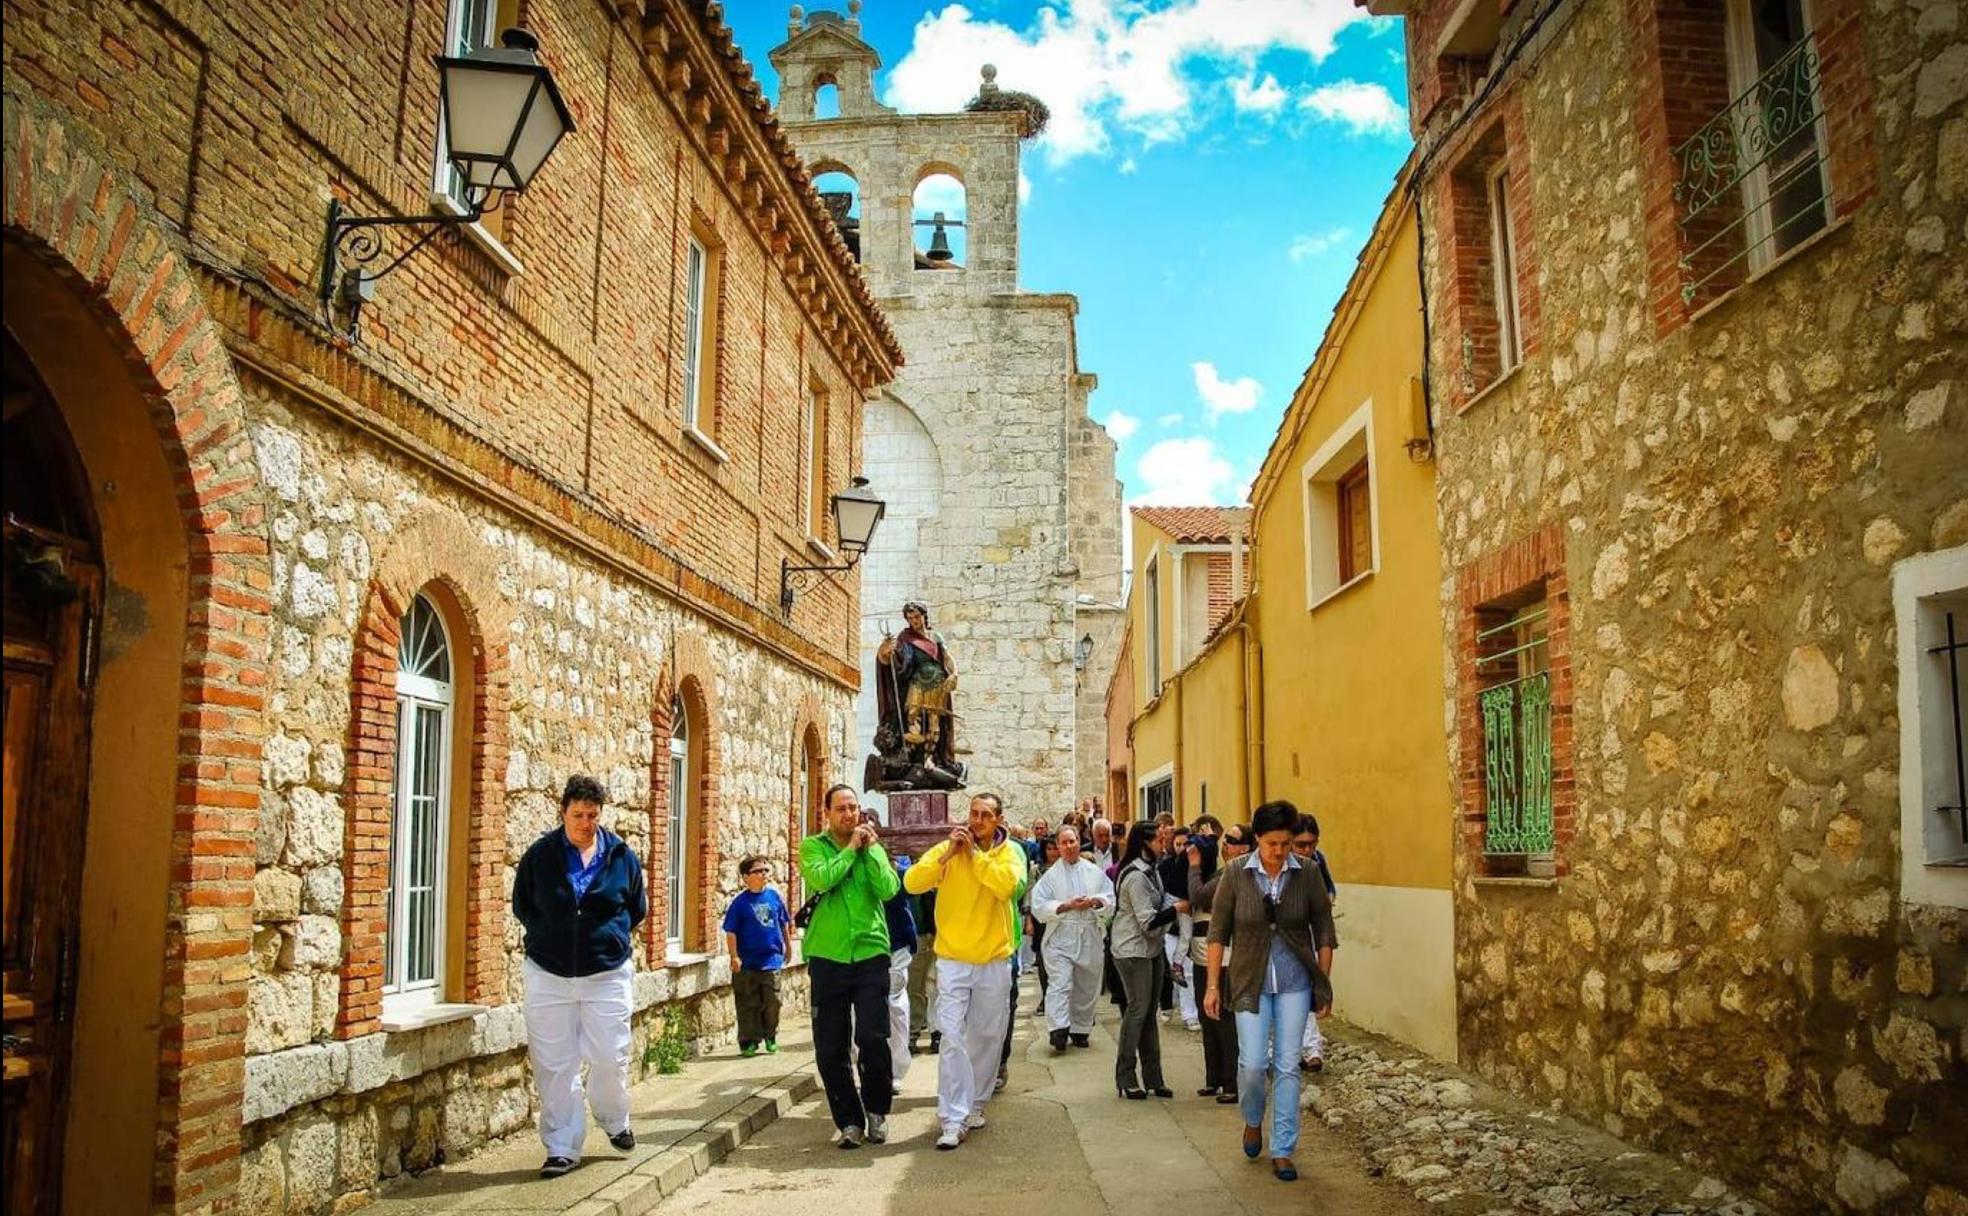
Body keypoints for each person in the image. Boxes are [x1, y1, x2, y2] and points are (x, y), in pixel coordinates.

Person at [512, 776, 647, 1178]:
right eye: (577, 815)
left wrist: (608, 939)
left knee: (610, 1056)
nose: (585, 823)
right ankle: (561, 1145)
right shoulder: (540, 855)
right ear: (563, 813)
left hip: (606, 973)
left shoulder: (622, 857)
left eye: (592, 815)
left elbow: (635, 908)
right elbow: (524, 905)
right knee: (555, 1064)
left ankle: (614, 1118)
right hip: (548, 973)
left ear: (601, 815)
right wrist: (549, 936)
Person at [1205, 800, 1338, 1184]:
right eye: (1272, 844)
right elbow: (1217, 933)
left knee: (1287, 1065)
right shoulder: (1235, 874)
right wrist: (1212, 986)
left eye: (1286, 844)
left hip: (1295, 979)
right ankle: (1251, 1120)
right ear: (1257, 840)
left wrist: (1323, 983)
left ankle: (1283, 1148)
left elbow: (1324, 931)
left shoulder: (1308, 873)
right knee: (1252, 1064)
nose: (1279, 852)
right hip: (1249, 980)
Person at [903, 792, 1024, 1150]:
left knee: (987, 1037)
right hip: (953, 960)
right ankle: (951, 1117)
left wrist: (974, 857)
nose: (977, 821)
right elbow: (912, 882)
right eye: (973, 813)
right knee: (952, 1037)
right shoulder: (949, 849)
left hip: (993, 959)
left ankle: (974, 1104)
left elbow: (1007, 888)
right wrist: (948, 855)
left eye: (986, 815)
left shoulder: (1010, 853)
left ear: (999, 820)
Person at [798, 784, 901, 1149]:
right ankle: (849, 1121)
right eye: (841, 808)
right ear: (827, 812)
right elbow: (822, 878)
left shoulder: (873, 849)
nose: (849, 814)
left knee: (873, 1037)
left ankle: (877, 1111)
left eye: (854, 808)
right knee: (830, 1047)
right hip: (829, 956)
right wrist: (850, 850)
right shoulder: (813, 847)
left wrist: (870, 851)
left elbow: (889, 889)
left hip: (871, 953)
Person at [1111, 819, 1182, 1100]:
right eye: (1158, 840)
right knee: (1138, 1010)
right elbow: (1147, 922)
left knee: (1148, 1014)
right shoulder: (1136, 876)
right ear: (1144, 843)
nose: (1163, 844)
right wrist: (1177, 909)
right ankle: (1126, 1075)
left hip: (1151, 950)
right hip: (1132, 950)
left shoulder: (1153, 871)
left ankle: (1154, 1078)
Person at [1029, 825, 1113, 1052]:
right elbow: (1038, 905)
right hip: (1061, 935)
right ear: (1057, 846)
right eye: (1064, 843)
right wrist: (1065, 906)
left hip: (1088, 933)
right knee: (1060, 982)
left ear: (1079, 842)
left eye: (1072, 841)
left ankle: (1080, 1029)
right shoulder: (1050, 877)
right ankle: (1058, 1029)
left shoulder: (1094, 872)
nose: (1069, 846)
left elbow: (1109, 898)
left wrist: (1095, 902)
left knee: (1087, 984)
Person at [1186, 824, 1248, 1102]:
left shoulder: (1235, 873)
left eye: (1230, 841)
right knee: (1207, 1016)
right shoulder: (1224, 871)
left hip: (1225, 957)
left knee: (1223, 1019)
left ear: (1245, 848)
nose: (1225, 845)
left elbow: (1198, 895)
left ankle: (1230, 1082)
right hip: (1204, 953)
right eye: (1222, 840)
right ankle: (1213, 1079)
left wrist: (1195, 866)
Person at [722, 855, 791, 1057]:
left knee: (772, 1001)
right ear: (746, 877)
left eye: (765, 870)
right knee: (748, 1003)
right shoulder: (740, 903)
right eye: (758, 871)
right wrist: (734, 956)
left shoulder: (774, 897)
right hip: (747, 962)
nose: (764, 874)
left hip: (771, 959)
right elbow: (731, 932)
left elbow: (783, 923)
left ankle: (770, 1036)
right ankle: (749, 1042)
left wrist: (788, 945)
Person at [1292, 815, 1339, 1072]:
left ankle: (1312, 1048)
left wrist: (1324, 904)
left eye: (1311, 844)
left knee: (1309, 987)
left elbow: (1330, 888)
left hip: (1309, 934)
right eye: (1301, 845)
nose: (1307, 851)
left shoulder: (1317, 861)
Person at [884, 847, 920, 1093]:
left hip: (896, 947)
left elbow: (916, 883)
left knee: (894, 1006)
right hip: (864, 950)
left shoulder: (898, 877)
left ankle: (896, 1069)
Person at [1160, 825, 1198, 1030]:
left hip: (1191, 921)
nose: (1182, 848)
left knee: (1187, 970)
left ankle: (1189, 1013)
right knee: (1173, 967)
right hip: (1170, 924)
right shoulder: (1165, 866)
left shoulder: (1196, 866)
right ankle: (1168, 1005)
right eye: (1178, 844)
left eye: (1186, 844)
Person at [906, 883, 940, 1057]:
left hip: (943, 931)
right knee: (915, 986)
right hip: (919, 932)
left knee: (937, 985)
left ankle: (937, 1032)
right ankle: (912, 1033)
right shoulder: (907, 866)